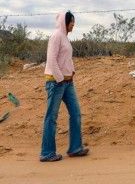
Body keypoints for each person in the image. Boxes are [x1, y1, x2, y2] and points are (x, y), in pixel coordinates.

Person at [39, 11, 89, 162]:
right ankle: (47, 153)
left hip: (68, 83)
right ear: (64, 22)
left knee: (76, 113)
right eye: (71, 22)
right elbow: (51, 59)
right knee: (51, 118)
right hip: (56, 83)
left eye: (74, 22)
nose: (73, 24)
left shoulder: (65, 38)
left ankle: (75, 148)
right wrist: (60, 78)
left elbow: (66, 58)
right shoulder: (56, 36)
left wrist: (71, 71)